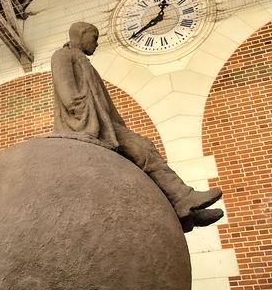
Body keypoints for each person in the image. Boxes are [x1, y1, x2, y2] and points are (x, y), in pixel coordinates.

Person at [50, 22, 224, 232]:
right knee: (143, 149)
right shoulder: (62, 56)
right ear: (81, 34)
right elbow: (67, 94)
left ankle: (185, 208)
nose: (96, 44)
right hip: (86, 124)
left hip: (105, 124)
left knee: (144, 149)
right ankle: (183, 202)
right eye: (94, 38)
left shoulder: (84, 61)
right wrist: (85, 116)